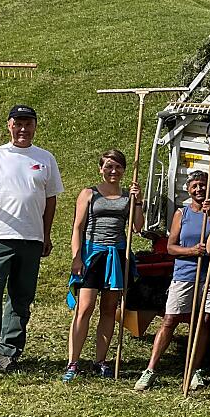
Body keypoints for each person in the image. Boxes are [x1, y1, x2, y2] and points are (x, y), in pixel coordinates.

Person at [0, 104, 63, 380]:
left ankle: (8, 353)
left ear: (35, 126)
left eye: (28, 124)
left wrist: (46, 234)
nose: (23, 129)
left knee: (21, 299)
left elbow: (50, 200)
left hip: (31, 238)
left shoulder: (45, 158)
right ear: (9, 126)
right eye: (18, 124)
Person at [133, 170, 210, 391]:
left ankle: (194, 370)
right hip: (184, 275)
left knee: (202, 322)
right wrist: (192, 250)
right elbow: (171, 247)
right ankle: (150, 369)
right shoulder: (182, 214)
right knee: (170, 319)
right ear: (188, 189)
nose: (199, 189)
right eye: (195, 186)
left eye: (203, 185)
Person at [62, 149, 142, 381]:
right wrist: (77, 257)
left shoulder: (129, 196)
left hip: (116, 255)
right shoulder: (89, 193)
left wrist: (138, 202)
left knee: (109, 309)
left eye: (118, 167)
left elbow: (137, 227)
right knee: (84, 308)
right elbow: (77, 227)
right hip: (93, 254)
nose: (113, 171)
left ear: (124, 170)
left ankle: (100, 361)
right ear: (101, 169)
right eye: (108, 166)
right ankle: (73, 362)